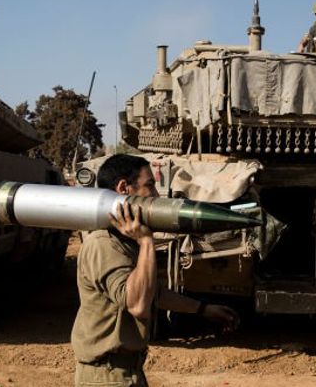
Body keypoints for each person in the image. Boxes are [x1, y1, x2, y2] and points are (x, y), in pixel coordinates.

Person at [72, 154, 240, 387]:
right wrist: (147, 242)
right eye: (149, 185)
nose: (156, 196)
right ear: (123, 188)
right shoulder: (103, 243)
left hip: (126, 371)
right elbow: (138, 304)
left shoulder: (123, 240)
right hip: (107, 376)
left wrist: (203, 309)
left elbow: (153, 293)